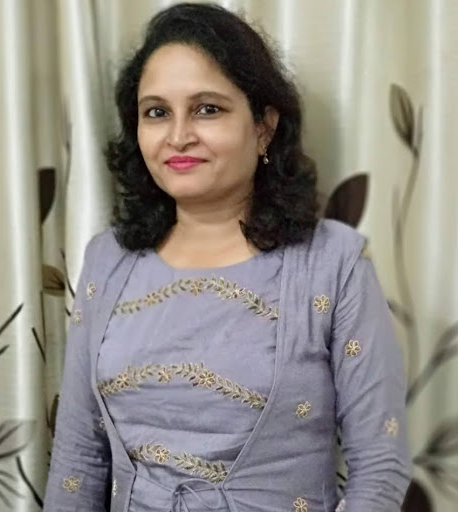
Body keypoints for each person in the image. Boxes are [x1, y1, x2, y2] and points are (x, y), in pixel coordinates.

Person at [44, 3, 412, 511]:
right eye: (157, 112)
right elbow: (79, 458)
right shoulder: (109, 260)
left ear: (264, 127)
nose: (178, 136)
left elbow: (379, 467)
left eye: (207, 109)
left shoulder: (333, 263)